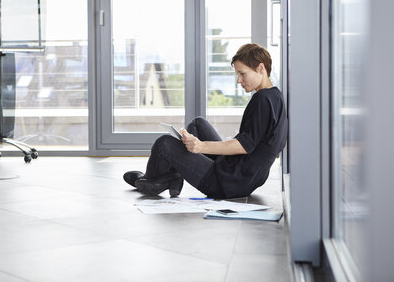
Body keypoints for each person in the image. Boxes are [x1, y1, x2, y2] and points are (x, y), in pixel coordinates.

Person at [123, 43, 288, 199]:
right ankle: (173, 175)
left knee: (164, 143)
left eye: (242, 74)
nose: (239, 80)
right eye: (237, 74)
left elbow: (244, 145)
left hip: (228, 182)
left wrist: (200, 146)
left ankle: (152, 180)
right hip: (242, 175)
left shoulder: (262, 100)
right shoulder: (275, 96)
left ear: (260, 68)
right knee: (197, 124)